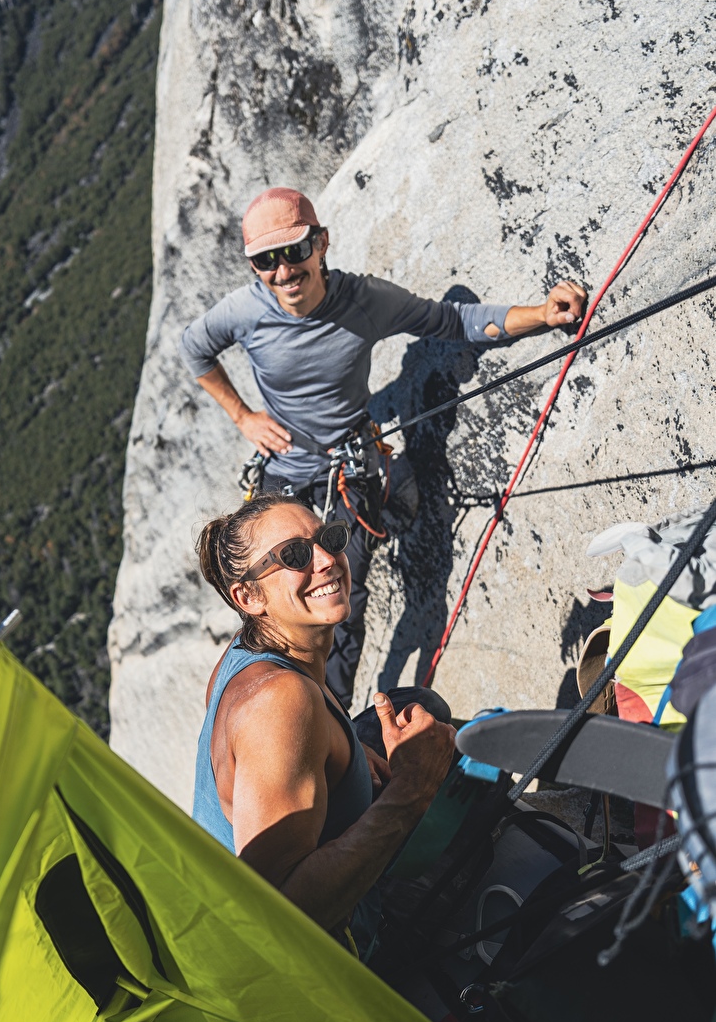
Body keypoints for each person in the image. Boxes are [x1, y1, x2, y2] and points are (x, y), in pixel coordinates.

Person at [181, 186, 588, 707]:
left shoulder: (365, 301)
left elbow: (452, 321)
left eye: (295, 251)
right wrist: (243, 416)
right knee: (279, 608)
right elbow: (195, 349)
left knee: (341, 607)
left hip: (349, 469)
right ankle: (294, 712)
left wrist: (541, 314)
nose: (283, 271)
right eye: (265, 259)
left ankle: (333, 723)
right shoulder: (245, 310)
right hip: (285, 474)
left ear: (321, 243)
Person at [193, 490, 458, 957]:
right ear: (248, 596)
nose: (326, 560)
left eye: (329, 539)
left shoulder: (249, 653)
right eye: (293, 555)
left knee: (419, 703)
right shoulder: (279, 702)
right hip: (315, 963)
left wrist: (352, 753)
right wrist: (412, 790)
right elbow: (284, 917)